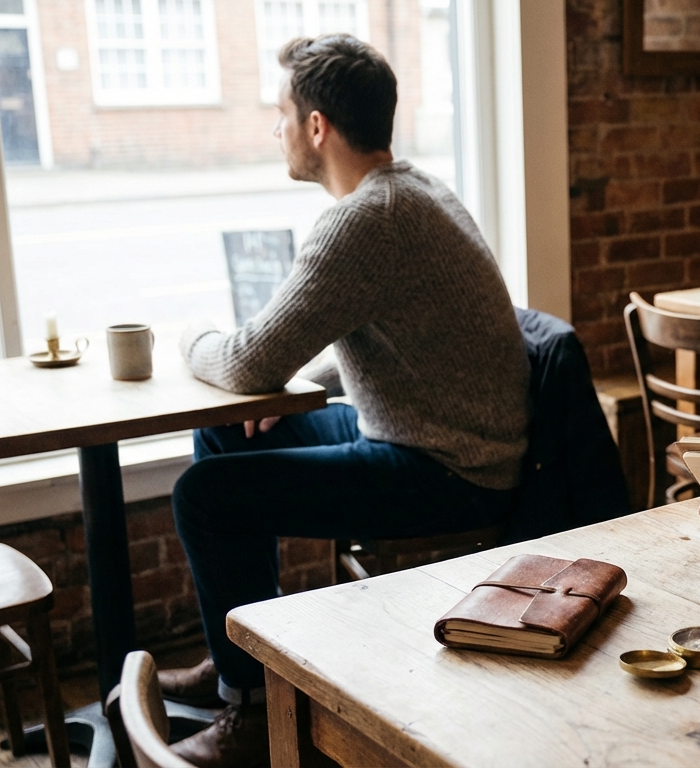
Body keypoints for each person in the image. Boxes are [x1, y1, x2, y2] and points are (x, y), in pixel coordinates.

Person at [163, 34, 529, 767]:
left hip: (447, 469)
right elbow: (399, 342)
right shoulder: (413, 189)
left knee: (204, 494)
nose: (278, 132)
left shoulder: (363, 220)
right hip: (429, 432)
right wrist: (300, 386)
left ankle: (248, 716)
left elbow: (243, 360)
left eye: (281, 115)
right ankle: (241, 660)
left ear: (318, 126)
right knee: (226, 439)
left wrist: (187, 334)